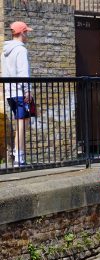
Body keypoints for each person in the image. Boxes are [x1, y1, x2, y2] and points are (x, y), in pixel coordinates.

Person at [1, 21, 33, 166]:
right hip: (20, 92)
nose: (27, 35)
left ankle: (18, 155)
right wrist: (27, 90)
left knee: (20, 123)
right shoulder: (21, 50)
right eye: (26, 32)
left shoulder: (5, 51)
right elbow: (23, 72)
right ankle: (19, 158)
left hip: (9, 92)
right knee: (22, 124)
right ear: (21, 33)